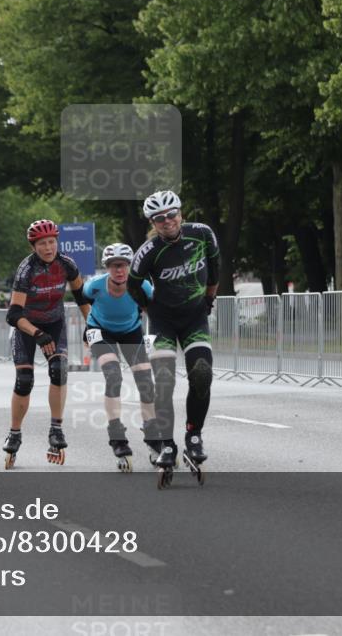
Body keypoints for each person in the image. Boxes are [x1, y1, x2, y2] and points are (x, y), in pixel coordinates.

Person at [128, 190, 220, 488]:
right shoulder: (148, 251)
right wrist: (147, 306)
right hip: (162, 323)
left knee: (202, 374)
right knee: (164, 380)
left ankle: (193, 435)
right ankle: (166, 443)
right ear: (152, 223)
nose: (167, 222)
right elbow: (132, 284)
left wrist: (210, 297)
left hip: (194, 319)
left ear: (181, 213)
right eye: (159, 219)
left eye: (171, 215)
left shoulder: (202, 234)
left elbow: (216, 266)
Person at [2, 219, 91, 469]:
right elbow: (13, 315)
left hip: (54, 323)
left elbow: (81, 296)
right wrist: (37, 333)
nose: (49, 247)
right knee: (25, 382)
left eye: (52, 242)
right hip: (26, 327)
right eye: (42, 243)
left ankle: (56, 429)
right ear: (34, 246)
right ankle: (15, 433)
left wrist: (91, 325)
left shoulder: (66, 264)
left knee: (59, 371)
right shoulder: (26, 270)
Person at [82, 243, 156, 472]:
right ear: (107, 268)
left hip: (131, 331)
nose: (119, 271)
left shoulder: (142, 286)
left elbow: (154, 311)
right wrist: (87, 335)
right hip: (100, 330)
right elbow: (84, 301)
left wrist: (152, 337)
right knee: (113, 376)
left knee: (145, 381)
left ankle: (152, 434)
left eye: (123, 265)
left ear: (130, 266)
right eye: (114, 266)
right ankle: (116, 435)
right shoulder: (94, 286)